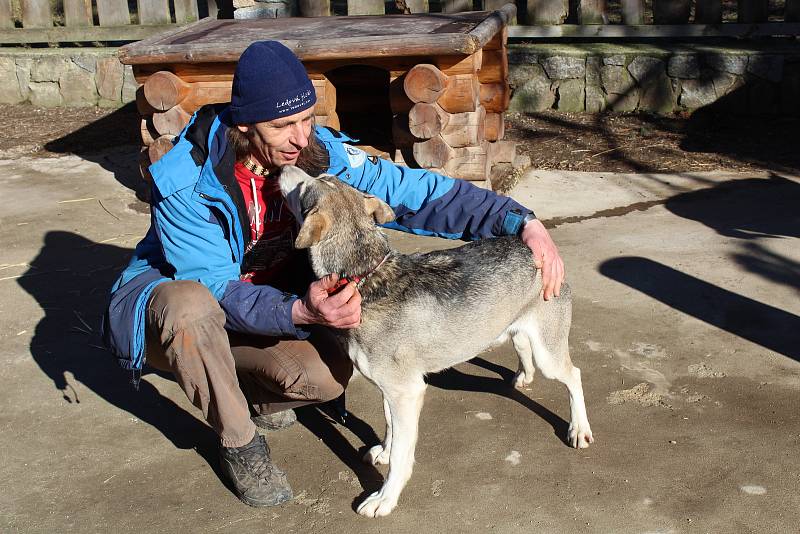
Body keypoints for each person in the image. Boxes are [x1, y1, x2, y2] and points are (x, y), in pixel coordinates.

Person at [102, 40, 565, 508]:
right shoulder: (187, 182)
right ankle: (240, 442)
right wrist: (301, 311)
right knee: (193, 308)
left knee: (324, 378)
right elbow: (218, 290)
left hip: (268, 297)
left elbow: (417, 192)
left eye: (307, 119)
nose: (302, 138)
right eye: (283, 125)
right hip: (181, 313)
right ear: (244, 125)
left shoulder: (315, 155)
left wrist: (520, 221)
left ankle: (256, 392)